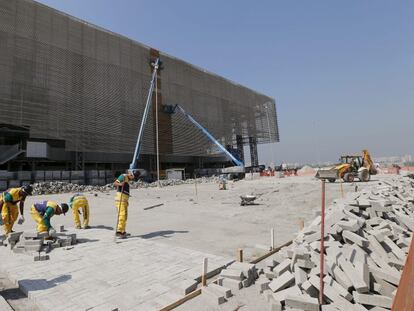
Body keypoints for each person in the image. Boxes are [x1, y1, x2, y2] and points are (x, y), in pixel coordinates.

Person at [113, 170, 140, 239]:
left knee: (125, 216)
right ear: (130, 174)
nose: (132, 179)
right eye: (132, 177)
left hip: (124, 200)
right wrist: (120, 184)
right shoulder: (123, 176)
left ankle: (123, 231)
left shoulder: (127, 179)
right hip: (120, 198)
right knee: (122, 215)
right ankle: (119, 231)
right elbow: (115, 183)